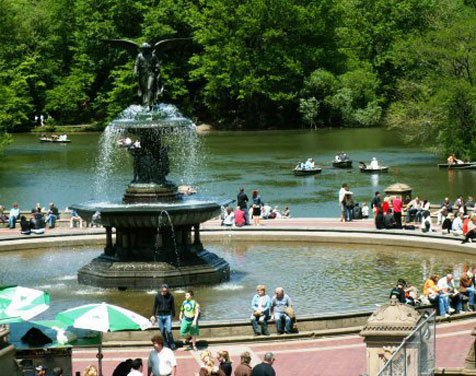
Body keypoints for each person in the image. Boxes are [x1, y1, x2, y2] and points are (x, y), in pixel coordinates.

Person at [151, 284, 176, 350]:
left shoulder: (170, 296)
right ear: (161, 289)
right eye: (163, 291)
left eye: (166, 291)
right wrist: (153, 315)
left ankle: (172, 343)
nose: (165, 292)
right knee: (162, 331)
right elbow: (155, 306)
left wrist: (173, 315)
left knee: (169, 330)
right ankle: (165, 343)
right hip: (159, 316)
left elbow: (172, 306)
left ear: (167, 290)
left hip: (168, 315)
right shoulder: (157, 296)